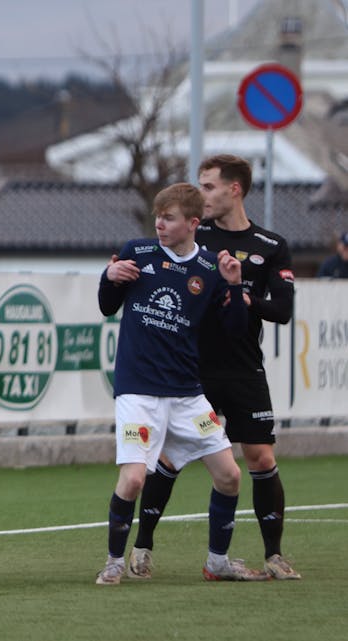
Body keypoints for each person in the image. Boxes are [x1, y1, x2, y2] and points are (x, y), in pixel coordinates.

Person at [129, 154, 301, 581]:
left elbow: (281, 308)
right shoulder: (194, 235)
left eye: (208, 187)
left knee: (259, 456)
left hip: (244, 369)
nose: (201, 194)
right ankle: (143, 547)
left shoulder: (270, 245)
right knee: (169, 457)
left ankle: (274, 555)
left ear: (234, 189)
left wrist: (243, 296)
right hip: (194, 370)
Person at [95, 182, 264, 585]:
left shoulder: (210, 267)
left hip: (187, 395)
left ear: (192, 223)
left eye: (168, 218)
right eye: (157, 216)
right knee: (134, 478)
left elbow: (235, 331)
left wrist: (235, 283)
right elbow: (106, 306)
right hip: (138, 390)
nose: (159, 224)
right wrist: (109, 276)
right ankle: (115, 562)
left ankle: (217, 561)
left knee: (230, 476)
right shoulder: (138, 251)